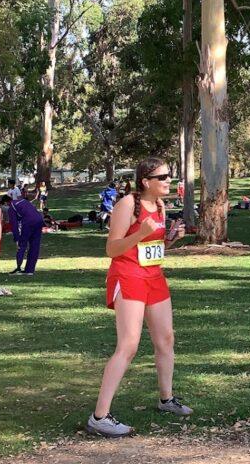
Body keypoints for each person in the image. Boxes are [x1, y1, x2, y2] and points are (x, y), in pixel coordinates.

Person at [88, 157, 189, 438]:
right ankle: (100, 416)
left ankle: (166, 399)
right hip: (128, 276)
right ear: (146, 181)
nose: (169, 181)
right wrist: (140, 233)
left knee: (166, 338)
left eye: (169, 176)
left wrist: (170, 238)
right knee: (129, 345)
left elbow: (154, 246)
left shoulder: (160, 205)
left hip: (154, 277)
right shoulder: (126, 205)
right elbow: (112, 248)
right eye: (163, 177)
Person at [4, 187, 46, 276]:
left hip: (28, 223)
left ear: (6, 203)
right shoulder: (23, 201)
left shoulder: (11, 207)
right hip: (39, 220)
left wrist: (16, 238)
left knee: (22, 245)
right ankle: (30, 270)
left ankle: (19, 267)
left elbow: (14, 224)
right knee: (34, 246)